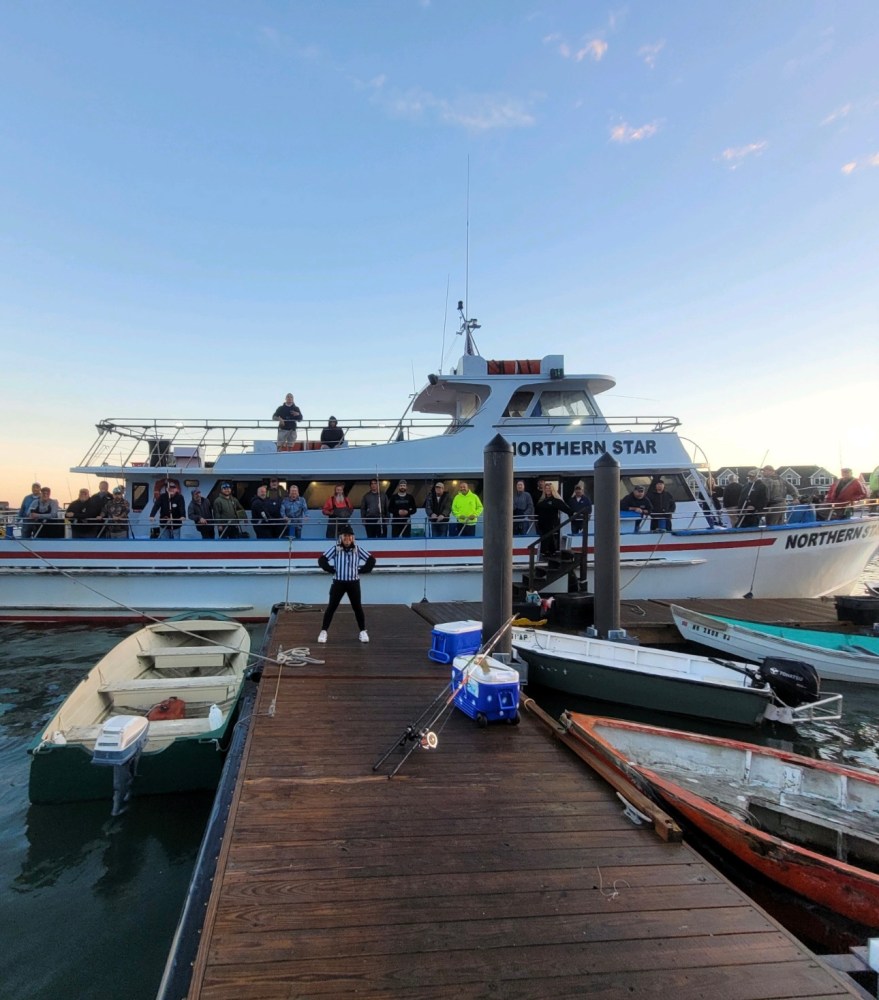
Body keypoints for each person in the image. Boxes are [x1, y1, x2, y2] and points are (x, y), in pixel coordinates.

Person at [316, 525, 375, 644]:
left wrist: (362, 570)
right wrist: (331, 570)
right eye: (345, 536)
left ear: (353, 538)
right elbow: (322, 560)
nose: (347, 538)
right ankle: (323, 631)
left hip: (353, 583)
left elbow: (371, 560)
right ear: (341, 538)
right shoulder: (335, 549)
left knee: (357, 607)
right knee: (331, 607)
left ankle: (363, 631)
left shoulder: (357, 549)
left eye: (349, 536)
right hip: (339, 583)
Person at [534, 481, 570, 553]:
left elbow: (565, 508)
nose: (547, 490)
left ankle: (545, 552)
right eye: (546, 488)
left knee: (547, 537)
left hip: (551, 522)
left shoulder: (556, 500)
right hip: (542, 523)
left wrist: (573, 513)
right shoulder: (542, 500)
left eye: (549, 488)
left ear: (552, 489)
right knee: (547, 537)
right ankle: (551, 552)